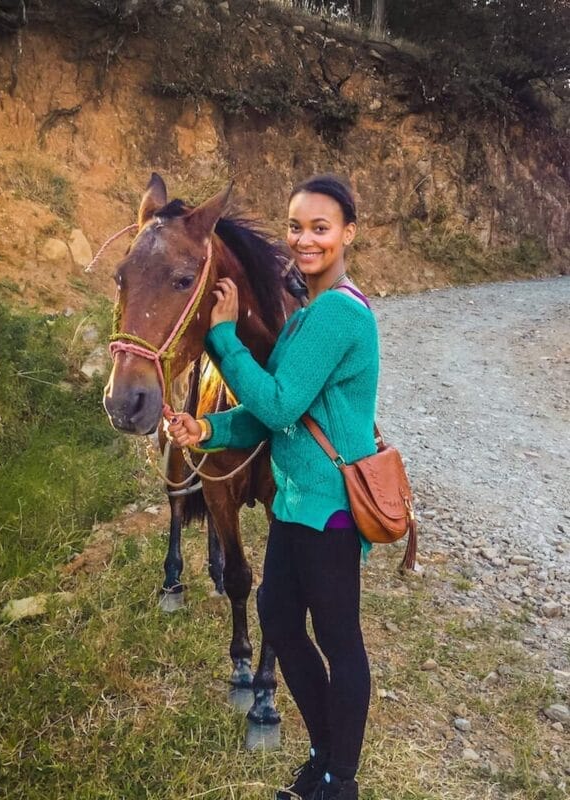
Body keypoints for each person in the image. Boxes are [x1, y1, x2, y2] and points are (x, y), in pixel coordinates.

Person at [168, 175, 379, 800]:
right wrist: (206, 426)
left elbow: (284, 404)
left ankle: (340, 781)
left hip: (332, 510)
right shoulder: (305, 316)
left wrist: (223, 336)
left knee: (341, 644)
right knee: (281, 624)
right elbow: (263, 414)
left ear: (347, 235)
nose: (305, 239)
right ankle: (323, 755)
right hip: (293, 505)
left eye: (321, 227)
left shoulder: (339, 312)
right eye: (296, 226)